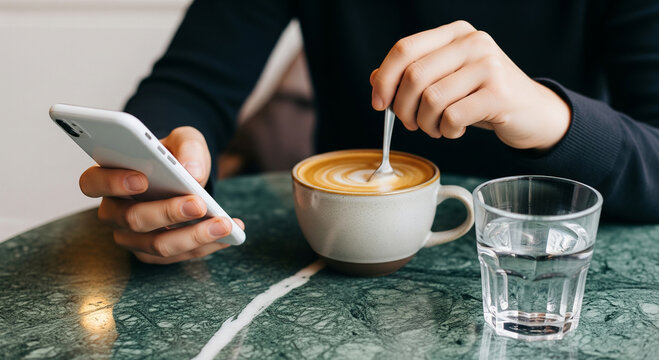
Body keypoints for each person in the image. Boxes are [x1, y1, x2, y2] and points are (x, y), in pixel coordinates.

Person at [78, 0, 659, 264]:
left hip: (545, 263)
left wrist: (549, 113)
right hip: (332, 272)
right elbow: (189, 83)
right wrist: (165, 166)